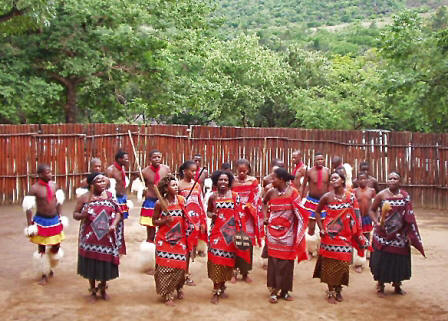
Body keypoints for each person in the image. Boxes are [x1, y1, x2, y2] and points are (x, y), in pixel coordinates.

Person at [313, 171, 368, 304]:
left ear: (343, 180)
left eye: (336, 178)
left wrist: (358, 233)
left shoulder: (351, 197)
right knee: (329, 264)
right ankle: (331, 291)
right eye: (332, 178)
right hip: (329, 236)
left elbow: (357, 216)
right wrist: (321, 228)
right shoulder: (327, 197)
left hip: (345, 235)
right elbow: (317, 212)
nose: (333, 180)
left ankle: (339, 289)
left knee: (343, 263)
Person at [369, 172, 425, 297]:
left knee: (399, 260)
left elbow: (409, 215)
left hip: (400, 235)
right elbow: (371, 210)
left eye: (395, 178)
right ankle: (380, 285)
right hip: (383, 234)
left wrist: (409, 233)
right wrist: (376, 222)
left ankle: (397, 284)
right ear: (387, 181)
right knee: (382, 260)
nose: (392, 180)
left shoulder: (405, 196)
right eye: (390, 178)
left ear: (400, 181)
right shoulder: (381, 195)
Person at [73, 172, 122, 301]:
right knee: (92, 263)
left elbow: (118, 212)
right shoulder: (84, 198)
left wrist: (114, 225)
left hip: (107, 237)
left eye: (103, 181)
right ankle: (93, 290)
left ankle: (103, 287)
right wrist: (83, 215)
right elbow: (75, 214)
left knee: (105, 262)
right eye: (99, 181)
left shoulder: (110, 196)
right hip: (90, 238)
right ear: (92, 184)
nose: (102, 183)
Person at [263, 168, 308, 303]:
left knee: (287, 262)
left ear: (281, 180)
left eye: (274, 178)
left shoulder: (293, 193)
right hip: (272, 233)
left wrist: (298, 230)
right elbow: (263, 203)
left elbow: (300, 213)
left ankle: (285, 291)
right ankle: (273, 291)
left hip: (288, 233)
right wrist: (266, 216)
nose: (272, 181)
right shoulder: (271, 192)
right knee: (274, 262)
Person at [207, 170, 247, 304]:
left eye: (225, 180)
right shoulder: (213, 197)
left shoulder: (235, 196)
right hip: (216, 233)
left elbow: (241, 214)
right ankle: (215, 290)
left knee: (227, 262)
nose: (223, 182)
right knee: (216, 261)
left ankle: (222, 286)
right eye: (220, 180)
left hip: (231, 234)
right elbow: (208, 211)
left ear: (229, 182)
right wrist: (211, 215)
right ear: (216, 182)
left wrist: (239, 233)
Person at [22, 164, 66, 285]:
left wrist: (60, 216)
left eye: (51, 172)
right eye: (47, 172)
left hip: (54, 220)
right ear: (40, 174)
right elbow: (28, 207)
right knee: (41, 248)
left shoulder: (54, 185)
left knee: (56, 246)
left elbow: (59, 201)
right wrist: (30, 225)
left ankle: (50, 266)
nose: (50, 174)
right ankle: (44, 274)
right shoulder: (34, 188)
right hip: (41, 221)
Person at [152, 175, 191, 306]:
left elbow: (186, 218)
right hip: (164, 240)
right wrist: (164, 221)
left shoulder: (182, 200)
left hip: (180, 239)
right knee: (164, 267)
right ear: (165, 188)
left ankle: (179, 287)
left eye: (176, 185)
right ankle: (167, 294)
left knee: (180, 266)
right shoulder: (160, 203)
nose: (176, 187)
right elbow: (154, 221)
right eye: (173, 185)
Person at [231, 159, 263, 283]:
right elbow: (230, 196)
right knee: (235, 243)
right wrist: (238, 209)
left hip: (248, 217)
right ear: (236, 170)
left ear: (248, 170)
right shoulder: (232, 181)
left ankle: (245, 272)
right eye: (240, 171)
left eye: (244, 171)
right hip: (236, 216)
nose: (242, 173)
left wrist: (248, 206)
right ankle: (234, 271)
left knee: (247, 244)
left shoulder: (253, 181)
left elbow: (256, 198)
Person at [140, 150, 171, 273]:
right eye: (154, 157)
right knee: (151, 233)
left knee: (165, 230)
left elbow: (170, 183)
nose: (157, 159)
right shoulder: (144, 172)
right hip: (150, 203)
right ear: (150, 159)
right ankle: (150, 264)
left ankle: (164, 261)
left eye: (159, 156)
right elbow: (140, 185)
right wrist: (142, 191)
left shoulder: (166, 169)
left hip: (164, 202)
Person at [178, 160, 207, 285]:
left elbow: (200, 204)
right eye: (192, 170)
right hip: (182, 221)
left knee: (191, 249)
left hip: (195, 222)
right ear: (185, 171)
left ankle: (186, 273)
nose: (195, 173)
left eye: (196, 171)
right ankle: (181, 274)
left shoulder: (197, 186)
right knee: (183, 248)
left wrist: (202, 222)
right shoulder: (178, 185)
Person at [301, 152, 330, 237]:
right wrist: (301, 198)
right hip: (312, 201)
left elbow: (330, 186)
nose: (320, 161)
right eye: (318, 159)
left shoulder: (327, 171)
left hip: (324, 201)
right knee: (311, 228)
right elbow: (303, 186)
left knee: (324, 227)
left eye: (321, 159)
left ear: (324, 160)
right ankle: (310, 248)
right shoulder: (309, 171)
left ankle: (321, 247)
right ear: (314, 161)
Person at [105, 150, 129, 254]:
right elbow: (107, 188)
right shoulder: (110, 170)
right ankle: (111, 245)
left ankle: (119, 247)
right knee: (112, 222)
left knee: (120, 223)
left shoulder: (122, 168)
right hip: (114, 199)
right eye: (125, 158)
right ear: (119, 159)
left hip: (122, 198)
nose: (127, 160)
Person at [352, 172, 376, 272]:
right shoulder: (354, 191)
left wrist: (375, 217)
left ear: (368, 180)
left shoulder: (372, 191)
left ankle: (363, 259)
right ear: (357, 181)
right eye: (360, 179)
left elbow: (374, 205)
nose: (362, 181)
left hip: (367, 218)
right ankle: (356, 262)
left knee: (366, 237)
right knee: (356, 238)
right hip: (357, 218)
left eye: (364, 179)